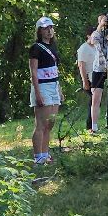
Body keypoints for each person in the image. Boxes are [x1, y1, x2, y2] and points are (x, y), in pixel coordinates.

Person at [28, 17, 63, 163]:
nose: (49, 30)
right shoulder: (36, 48)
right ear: (39, 31)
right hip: (42, 86)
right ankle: (38, 157)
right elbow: (34, 72)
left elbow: (55, 70)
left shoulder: (53, 47)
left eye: (51, 27)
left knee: (50, 124)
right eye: (45, 28)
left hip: (54, 86)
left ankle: (45, 153)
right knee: (41, 124)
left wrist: (59, 89)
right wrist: (38, 93)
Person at [76, 26, 107, 133]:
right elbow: (81, 65)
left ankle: (92, 125)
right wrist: (85, 81)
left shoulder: (96, 47)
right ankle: (90, 126)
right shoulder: (84, 48)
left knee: (96, 102)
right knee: (93, 102)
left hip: (96, 76)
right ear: (88, 36)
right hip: (89, 78)